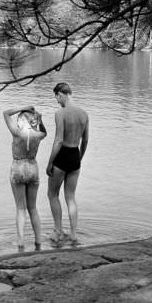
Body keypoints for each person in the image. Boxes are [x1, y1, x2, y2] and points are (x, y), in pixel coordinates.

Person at [46, 83, 89, 247]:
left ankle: (58, 231)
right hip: (75, 156)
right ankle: (73, 234)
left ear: (60, 94)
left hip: (62, 155)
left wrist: (50, 162)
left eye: (56, 98)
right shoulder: (84, 114)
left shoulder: (60, 113)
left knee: (52, 194)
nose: (57, 101)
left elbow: (58, 140)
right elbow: (85, 140)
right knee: (70, 197)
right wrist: (80, 157)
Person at [3, 105, 47, 252]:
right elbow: (44, 131)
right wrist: (39, 117)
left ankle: (20, 243)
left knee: (21, 208)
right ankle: (38, 241)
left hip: (19, 166)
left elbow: (6, 113)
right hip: (33, 166)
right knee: (33, 208)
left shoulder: (17, 132)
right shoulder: (39, 135)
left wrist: (24, 107)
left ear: (22, 120)